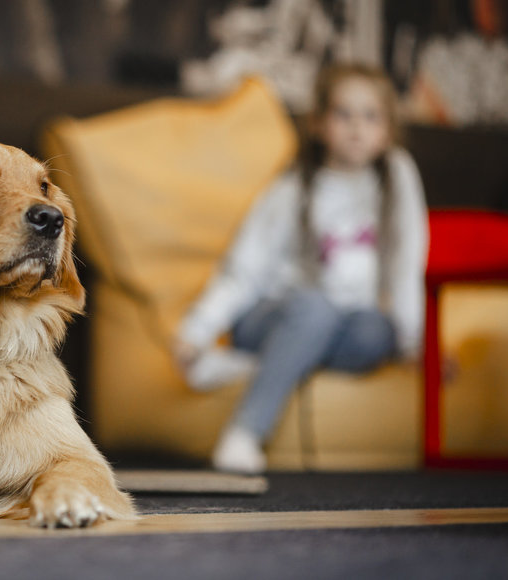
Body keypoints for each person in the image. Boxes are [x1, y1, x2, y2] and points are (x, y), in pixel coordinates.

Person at [174, 63, 429, 474]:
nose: (356, 128)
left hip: (346, 324)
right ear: (318, 123)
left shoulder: (396, 176)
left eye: (371, 116)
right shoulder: (294, 187)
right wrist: (197, 330)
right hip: (272, 316)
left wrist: (417, 343)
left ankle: (268, 364)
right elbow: (245, 268)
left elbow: (406, 263)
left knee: (378, 332)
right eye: (343, 114)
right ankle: (244, 432)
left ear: (388, 129)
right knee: (315, 307)